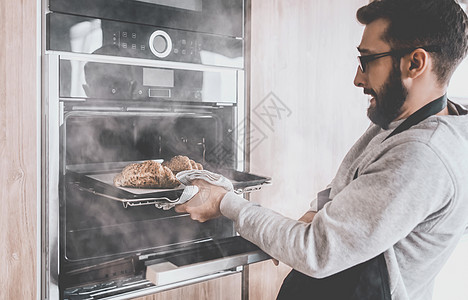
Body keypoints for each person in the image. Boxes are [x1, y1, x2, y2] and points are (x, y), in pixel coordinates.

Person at [175, 0, 468, 299]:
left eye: (367, 60)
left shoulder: (422, 156)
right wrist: (315, 212)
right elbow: (359, 180)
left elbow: (316, 251)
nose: (358, 78)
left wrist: (225, 201)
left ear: (415, 63)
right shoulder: (406, 119)